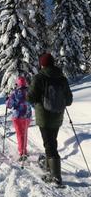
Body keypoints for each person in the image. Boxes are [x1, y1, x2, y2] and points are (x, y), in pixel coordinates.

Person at [27, 53, 73, 186]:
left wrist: (36, 101)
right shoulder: (62, 78)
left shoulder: (39, 77)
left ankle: (56, 177)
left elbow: (30, 97)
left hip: (44, 116)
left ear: (42, 64)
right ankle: (49, 167)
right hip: (58, 116)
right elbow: (69, 100)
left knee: (49, 144)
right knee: (52, 141)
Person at [6, 76, 32, 161]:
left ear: (17, 84)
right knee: (24, 133)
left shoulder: (15, 93)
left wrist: (7, 99)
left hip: (18, 116)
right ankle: (24, 150)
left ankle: (22, 152)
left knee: (20, 134)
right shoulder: (29, 91)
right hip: (27, 116)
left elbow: (9, 105)